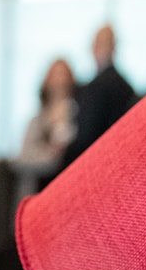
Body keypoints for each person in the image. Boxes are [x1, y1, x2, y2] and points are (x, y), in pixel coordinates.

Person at [59, 25, 136, 169]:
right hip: (119, 160)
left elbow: (86, 135)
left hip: (96, 163)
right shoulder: (126, 85)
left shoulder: (98, 86)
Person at [17, 58, 78, 170]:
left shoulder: (79, 114)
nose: (60, 81)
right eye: (55, 76)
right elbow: (24, 155)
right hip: (41, 178)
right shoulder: (38, 120)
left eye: (63, 75)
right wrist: (52, 153)